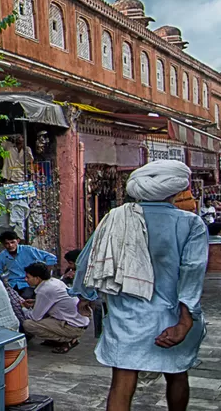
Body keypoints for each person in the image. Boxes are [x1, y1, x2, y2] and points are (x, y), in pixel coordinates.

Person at [73, 160, 208, 411]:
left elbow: (89, 261)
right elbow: (193, 272)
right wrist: (185, 322)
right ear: (177, 190)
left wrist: (84, 296)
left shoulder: (115, 217)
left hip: (127, 317)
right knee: (177, 374)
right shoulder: (190, 223)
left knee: (122, 383)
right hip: (172, 315)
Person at [19, 262, 88, 353]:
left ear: (37, 278)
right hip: (80, 322)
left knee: (28, 324)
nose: (26, 279)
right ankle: (62, 337)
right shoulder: (54, 282)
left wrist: (23, 308)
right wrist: (35, 302)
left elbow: (35, 317)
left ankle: (67, 339)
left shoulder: (45, 290)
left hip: (73, 326)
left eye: (28, 277)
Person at [0, 230, 57, 300]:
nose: (10, 245)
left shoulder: (28, 250)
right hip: (12, 284)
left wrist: (45, 273)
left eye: (12, 242)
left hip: (28, 284)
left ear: (18, 241)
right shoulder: (3, 255)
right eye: (7, 243)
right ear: (3, 244)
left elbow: (51, 257)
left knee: (26, 298)